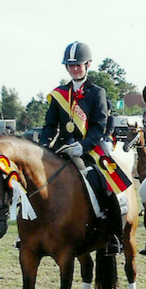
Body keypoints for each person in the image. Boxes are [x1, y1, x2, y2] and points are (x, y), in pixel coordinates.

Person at [40, 41, 124, 255]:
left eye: (78, 65)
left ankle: (114, 235)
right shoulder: (59, 94)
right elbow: (50, 125)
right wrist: (43, 145)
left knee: (104, 183)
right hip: (62, 148)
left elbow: (99, 127)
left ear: (87, 65)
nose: (75, 69)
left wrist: (83, 146)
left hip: (90, 148)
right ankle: (30, 231)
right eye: (71, 66)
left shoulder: (97, 93)